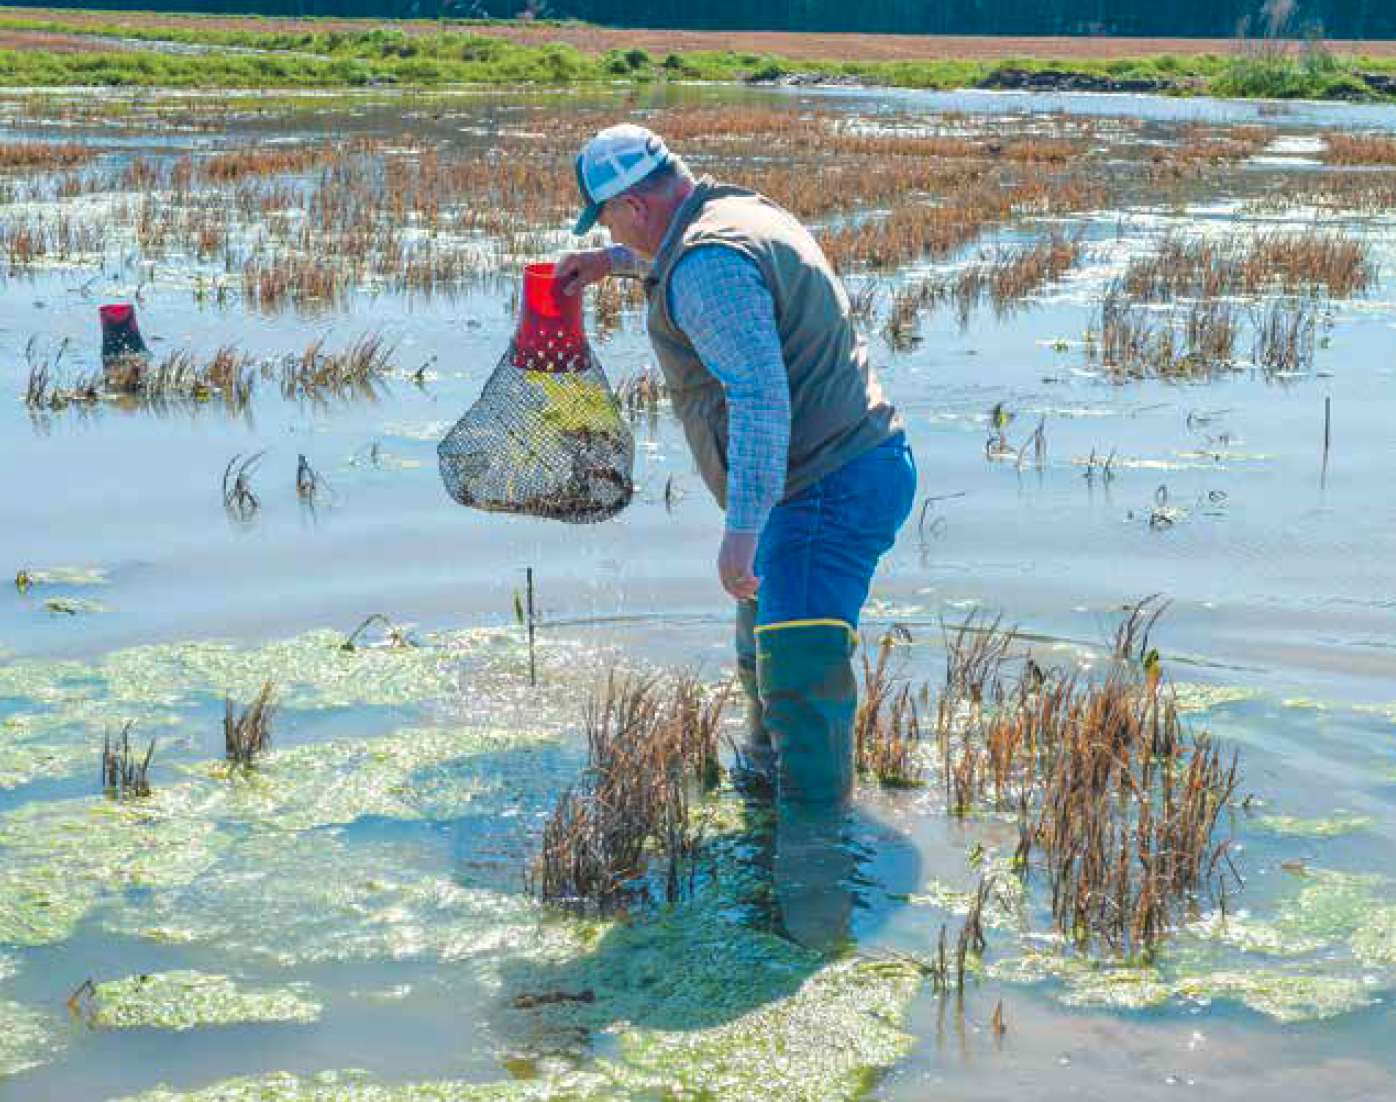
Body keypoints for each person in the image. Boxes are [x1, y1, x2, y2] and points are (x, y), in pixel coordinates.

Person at [558, 123, 916, 807]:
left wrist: (742, 532)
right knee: (765, 655)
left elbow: (759, 398)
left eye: (609, 220)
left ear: (633, 207)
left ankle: (815, 856)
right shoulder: (733, 215)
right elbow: (687, 262)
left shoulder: (705, 266)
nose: (613, 232)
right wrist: (611, 263)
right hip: (844, 469)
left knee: (799, 684)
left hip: (823, 489)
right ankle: (764, 792)